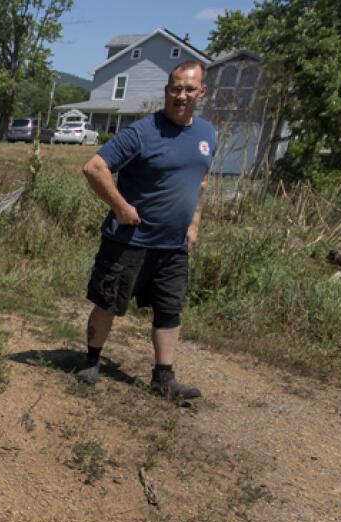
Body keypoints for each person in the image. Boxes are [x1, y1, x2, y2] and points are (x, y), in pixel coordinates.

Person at [76, 60, 216, 400]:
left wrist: (195, 223)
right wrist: (121, 207)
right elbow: (95, 167)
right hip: (130, 240)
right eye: (175, 88)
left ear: (201, 92)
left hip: (173, 245)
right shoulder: (142, 132)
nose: (180, 95)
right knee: (109, 301)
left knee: (170, 309)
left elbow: (202, 182)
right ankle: (92, 360)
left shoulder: (207, 135)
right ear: (166, 90)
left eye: (188, 89)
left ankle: (163, 376)